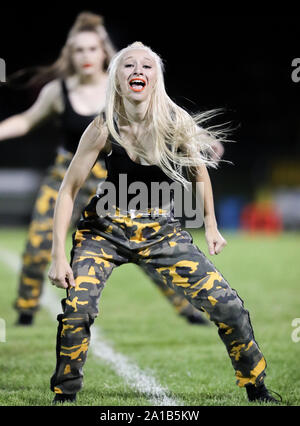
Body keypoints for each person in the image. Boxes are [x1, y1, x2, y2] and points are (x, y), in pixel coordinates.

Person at [47, 42, 280, 404]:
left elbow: (200, 173)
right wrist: (58, 256)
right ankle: (64, 396)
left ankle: (257, 387)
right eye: (128, 66)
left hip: (161, 232)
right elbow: (68, 190)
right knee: (77, 311)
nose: (138, 70)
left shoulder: (175, 121)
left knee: (229, 306)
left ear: (157, 78)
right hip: (103, 232)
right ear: (117, 79)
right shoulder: (102, 126)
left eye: (147, 66)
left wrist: (212, 225)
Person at [0, 12, 208, 326]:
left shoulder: (121, 88)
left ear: (104, 53)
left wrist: (201, 142)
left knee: (149, 243)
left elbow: (168, 119)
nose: (85, 56)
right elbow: (27, 120)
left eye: (92, 49)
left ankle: (189, 310)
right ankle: (26, 312)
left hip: (113, 184)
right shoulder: (58, 91)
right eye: (78, 50)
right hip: (65, 177)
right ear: (70, 55)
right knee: (38, 241)